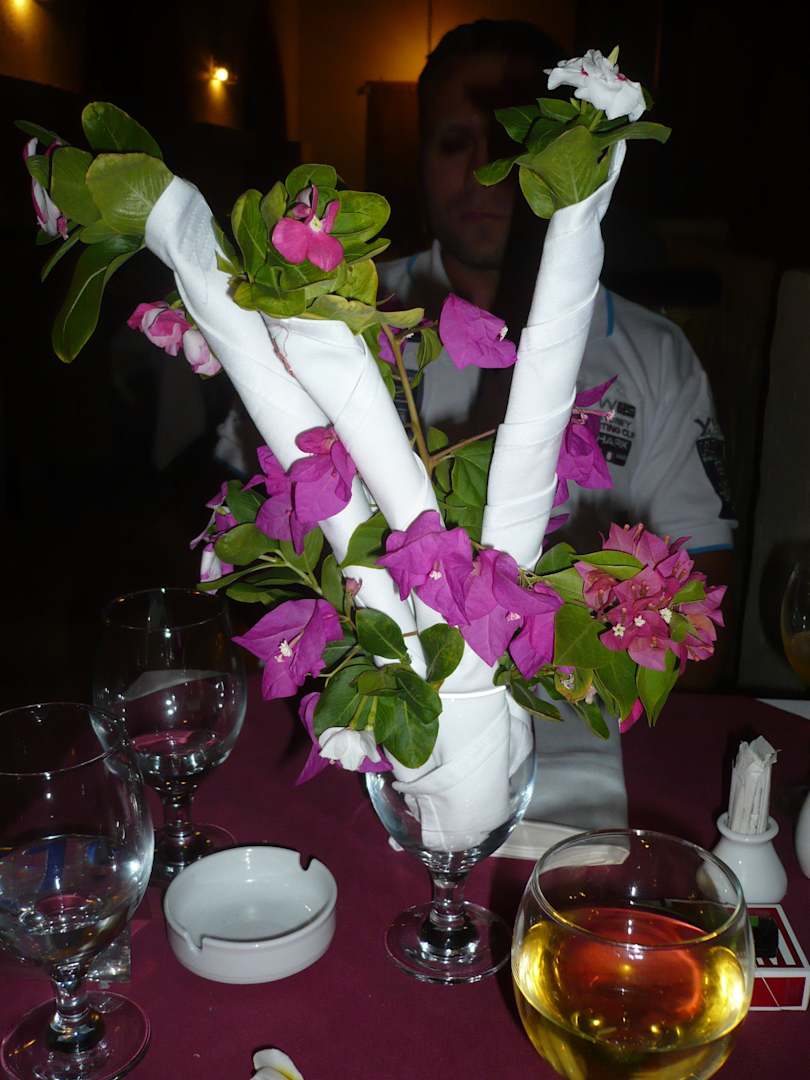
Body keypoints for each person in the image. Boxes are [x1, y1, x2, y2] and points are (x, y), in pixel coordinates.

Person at [378, 19, 736, 691]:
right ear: (419, 158)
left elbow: (703, 596)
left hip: (578, 716)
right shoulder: (351, 319)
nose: (482, 172)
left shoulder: (657, 354)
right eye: (454, 143)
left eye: (509, 144)